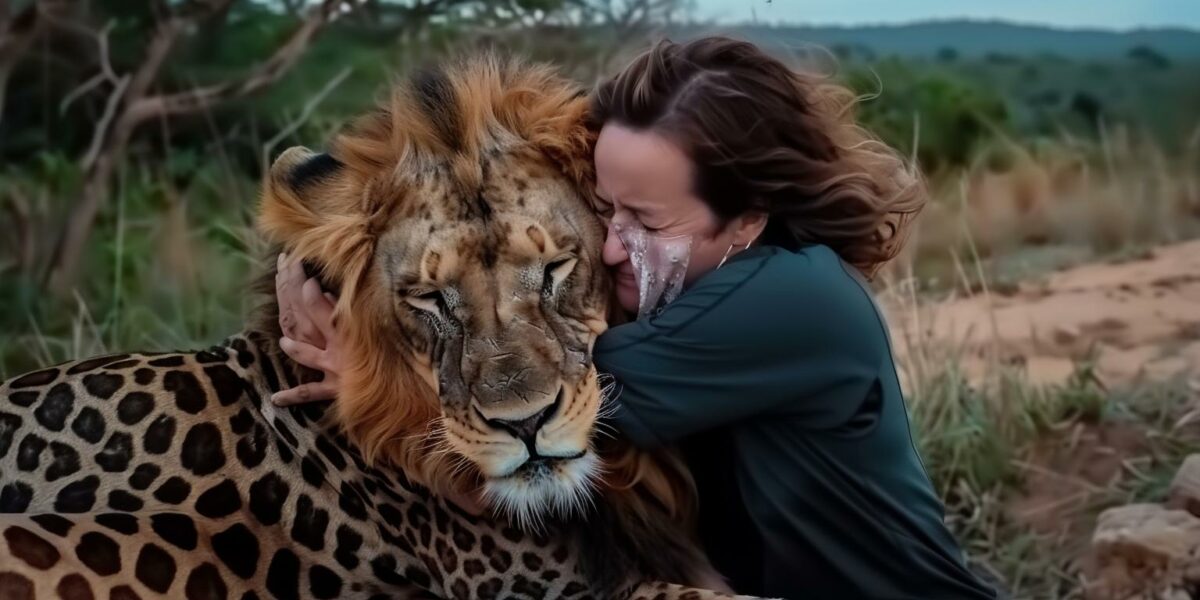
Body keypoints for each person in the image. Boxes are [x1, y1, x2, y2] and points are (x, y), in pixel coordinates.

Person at [273, 37, 997, 599]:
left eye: (645, 220)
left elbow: (538, 412)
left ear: (746, 216)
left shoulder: (788, 302)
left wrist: (362, 369)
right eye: (606, 210)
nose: (614, 244)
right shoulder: (717, 285)